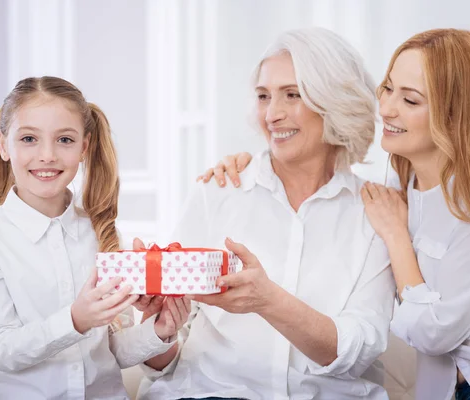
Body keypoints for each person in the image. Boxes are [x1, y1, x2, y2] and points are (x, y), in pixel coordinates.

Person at [207, 28, 470, 400]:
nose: (387, 108)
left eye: (410, 100)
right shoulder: (403, 179)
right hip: (452, 385)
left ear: (458, 116)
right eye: (388, 88)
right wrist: (253, 164)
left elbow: (432, 334)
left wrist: (397, 237)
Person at [137, 27, 395, 400]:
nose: (272, 114)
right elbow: (167, 360)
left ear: (334, 100)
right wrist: (158, 331)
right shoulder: (218, 191)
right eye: (263, 96)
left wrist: (268, 301)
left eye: (292, 95)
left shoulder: (374, 213)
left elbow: (355, 353)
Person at [0, 76, 190, 399]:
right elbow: (1, 349)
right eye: (29, 138)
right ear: (3, 145)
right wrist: (75, 320)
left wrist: (159, 331)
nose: (47, 155)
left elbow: (108, 352)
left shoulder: (102, 234)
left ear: (84, 147)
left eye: (64, 140)